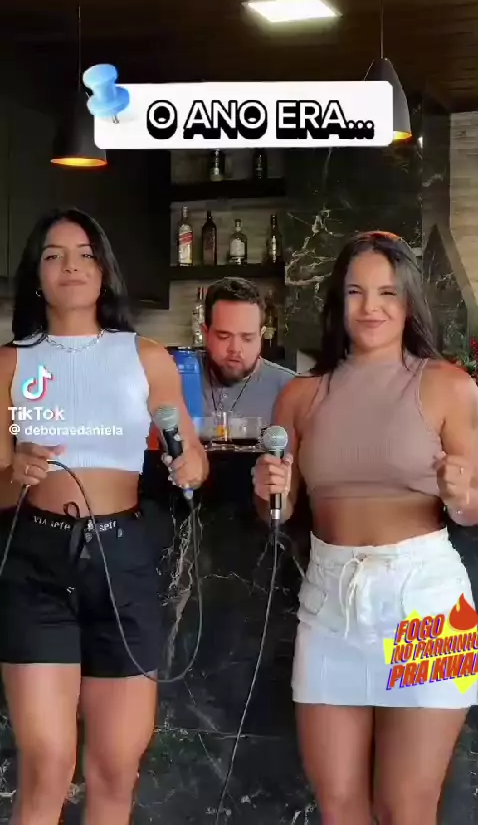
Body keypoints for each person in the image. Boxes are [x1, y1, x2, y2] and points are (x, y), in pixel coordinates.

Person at [252, 230, 478, 825]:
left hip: (427, 600)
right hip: (328, 602)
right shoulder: (300, 396)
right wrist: (268, 490)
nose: (370, 307)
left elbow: (472, 507)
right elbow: (279, 511)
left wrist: (462, 496)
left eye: (386, 292)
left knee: (407, 806)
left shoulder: (449, 385)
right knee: (339, 806)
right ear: (338, 301)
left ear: (409, 301)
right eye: (356, 292)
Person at [0, 207, 208, 825]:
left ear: (104, 270)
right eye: (54, 255)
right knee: (47, 764)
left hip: (123, 560)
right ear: (36, 275)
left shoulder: (145, 356)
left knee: (116, 768)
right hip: (36, 564)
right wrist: (15, 473)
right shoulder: (10, 363)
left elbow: (192, 456)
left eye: (85, 254)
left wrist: (189, 465)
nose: (71, 266)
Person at [200, 277, 295, 426]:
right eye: (224, 336)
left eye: (247, 338)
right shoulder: (176, 378)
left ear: (261, 336)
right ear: (205, 333)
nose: (235, 349)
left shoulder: (291, 389)